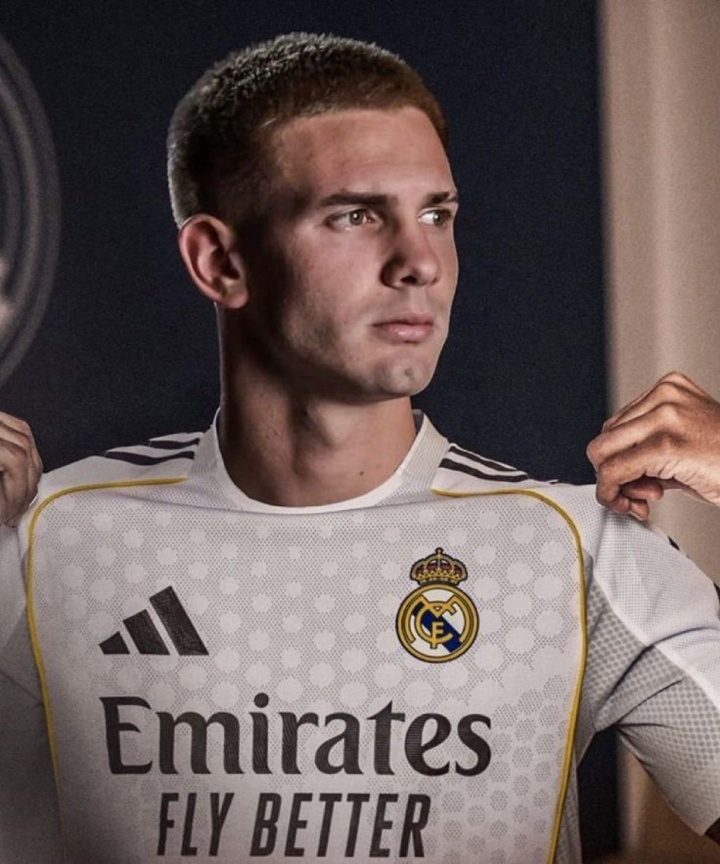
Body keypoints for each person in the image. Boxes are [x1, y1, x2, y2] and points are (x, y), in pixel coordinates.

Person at [2, 32, 720, 864]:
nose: (419, 263)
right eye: (355, 215)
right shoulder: (48, 539)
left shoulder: (579, 554)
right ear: (220, 261)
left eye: (437, 215)